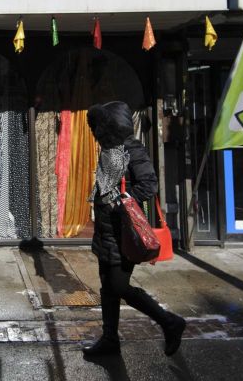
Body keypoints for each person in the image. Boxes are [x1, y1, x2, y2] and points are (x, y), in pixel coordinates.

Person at [82, 101, 186, 357]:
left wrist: (119, 203)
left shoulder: (131, 148)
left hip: (123, 232)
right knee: (108, 287)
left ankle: (169, 322)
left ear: (110, 127)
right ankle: (109, 339)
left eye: (98, 128)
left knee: (119, 287)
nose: (95, 133)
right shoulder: (109, 150)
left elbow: (149, 185)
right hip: (106, 232)